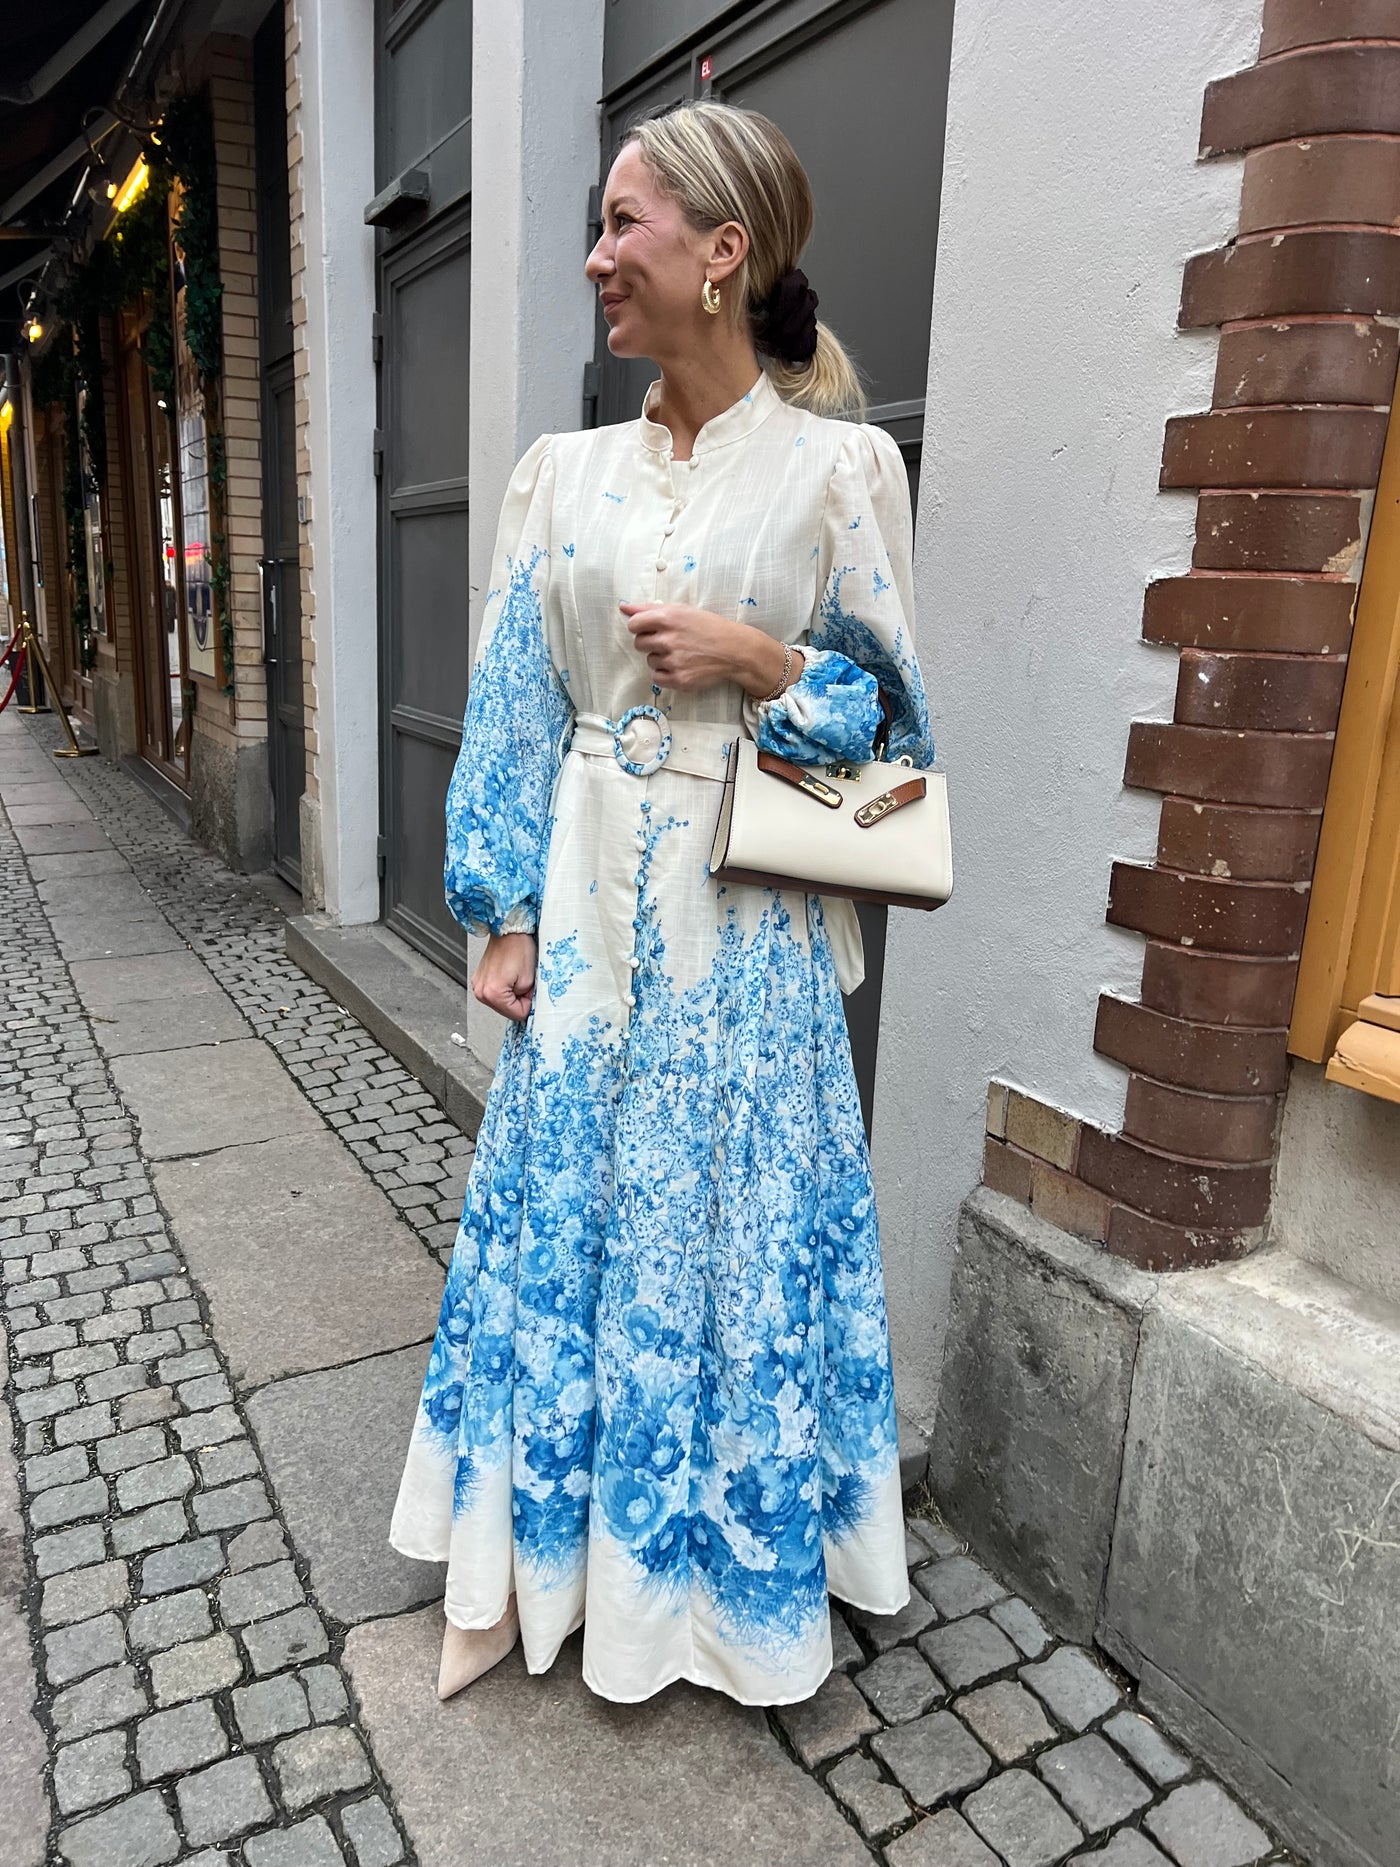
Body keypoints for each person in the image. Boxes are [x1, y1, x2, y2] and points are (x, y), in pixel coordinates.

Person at [389, 99, 934, 1709]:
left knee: (728, 1242)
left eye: (626, 222)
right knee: (564, 1233)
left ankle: (721, 1599)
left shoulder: (844, 469)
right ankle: (525, 1574)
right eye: (601, 220)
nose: (595, 254)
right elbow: (508, 698)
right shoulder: (556, 475)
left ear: (723, 254)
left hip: (749, 920)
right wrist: (495, 911)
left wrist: (760, 663)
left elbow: (898, 731)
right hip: (581, 903)